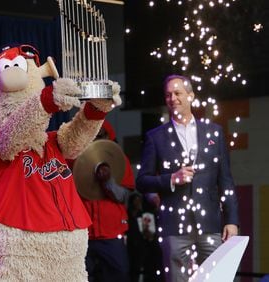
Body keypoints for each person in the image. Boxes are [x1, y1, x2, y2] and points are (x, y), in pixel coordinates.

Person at [136, 74, 239, 282]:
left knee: (215, 279)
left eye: (177, 93)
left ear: (190, 96)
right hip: (174, 227)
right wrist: (171, 179)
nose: (172, 98)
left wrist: (232, 221)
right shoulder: (155, 137)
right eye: (168, 95)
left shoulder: (214, 133)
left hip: (210, 224)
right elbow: (142, 181)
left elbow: (226, 180)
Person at [80, 122, 135, 282]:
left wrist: (107, 181)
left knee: (119, 275)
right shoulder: (73, 158)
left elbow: (123, 196)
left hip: (112, 233)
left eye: (99, 135)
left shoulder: (118, 159)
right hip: (83, 234)